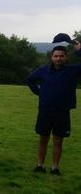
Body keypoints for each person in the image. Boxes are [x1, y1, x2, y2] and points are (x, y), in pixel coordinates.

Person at [26, 43, 81, 175]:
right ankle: (40, 165)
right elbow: (30, 80)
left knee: (58, 140)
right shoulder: (43, 70)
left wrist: (79, 51)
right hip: (45, 110)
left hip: (62, 111)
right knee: (43, 139)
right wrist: (39, 92)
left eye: (61, 56)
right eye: (56, 56)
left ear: (66, 58)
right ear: (52, 57)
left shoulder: (72, 71)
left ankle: (55, 168)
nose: (58, 58)